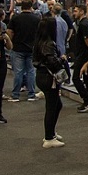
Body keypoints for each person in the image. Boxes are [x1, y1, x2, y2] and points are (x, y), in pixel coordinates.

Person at [32, 17, 67, 149]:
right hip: (49, 78)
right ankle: (49, 137)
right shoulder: (49, 43)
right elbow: (52, 62)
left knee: (57, 105)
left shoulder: (39, 42)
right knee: (52, 107)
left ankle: (51, 132)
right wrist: (62, 59)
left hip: (41, 76)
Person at [7, 0, 40, 102]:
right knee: (31, 72)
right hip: (32, 49)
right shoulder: (37, 19)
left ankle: (15, 95)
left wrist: (11, 43)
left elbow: (9, 31)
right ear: (31, 7)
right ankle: (31, 95)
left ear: (21, 7)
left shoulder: (15, 18)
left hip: (18, 48)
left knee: (18, 72)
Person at [71, 3, 88, 113]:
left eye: (76, 11)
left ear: (82, 11)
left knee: (76, 78)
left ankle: (87, 100)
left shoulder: (83, 24)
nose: (74, 13)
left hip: (83, 56)